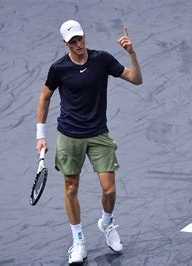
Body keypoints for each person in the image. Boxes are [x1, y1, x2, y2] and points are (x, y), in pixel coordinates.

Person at [35, 19, 142, 264]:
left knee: (110, 190)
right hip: (69, 136)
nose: (78, 44)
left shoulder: (102, 60)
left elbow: (136, 79)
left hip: (98, 135)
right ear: (65, 43)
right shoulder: (59, 69)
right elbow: (44, 98)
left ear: (85, 37)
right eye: (72, 41)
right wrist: (40, 135)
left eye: (80, 38)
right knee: (71, 189)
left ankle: (107, 223)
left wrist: (132, 54)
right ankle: (79, 241)